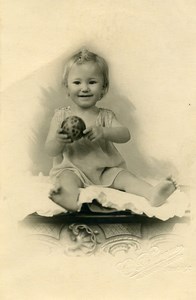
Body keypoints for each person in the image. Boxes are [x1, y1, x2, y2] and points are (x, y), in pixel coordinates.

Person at [45, 48, 177, 211]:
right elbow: (49, 149)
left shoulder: (105, 116)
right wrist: (59, 140)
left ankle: (152, 193)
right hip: (72, 169)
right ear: (66, 87)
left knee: (125, 177)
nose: (84, 88)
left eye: (92, 82)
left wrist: (104, 132)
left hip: (104, 171)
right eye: (77, 82)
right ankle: (69, 199)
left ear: (104, 88)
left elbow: (124, 134)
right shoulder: (61, 116)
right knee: (66, 179)